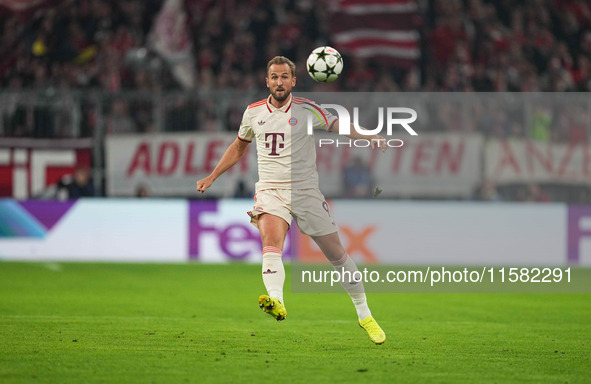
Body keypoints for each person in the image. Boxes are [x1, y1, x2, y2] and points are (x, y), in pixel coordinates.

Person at [196, 56, 387, 345]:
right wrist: (212, 176)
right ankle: (277, 301)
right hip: (271, 190)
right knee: (271, 243)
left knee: (337, 255)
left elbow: (338, 125)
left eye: (285, 77)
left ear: (293, 81)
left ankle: (365, 315)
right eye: (274, 77)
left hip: (306, 191)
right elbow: (238, 147)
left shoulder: (307, 110)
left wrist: (368, 135)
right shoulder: (253, 112)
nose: (279, 82)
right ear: (267, 81)